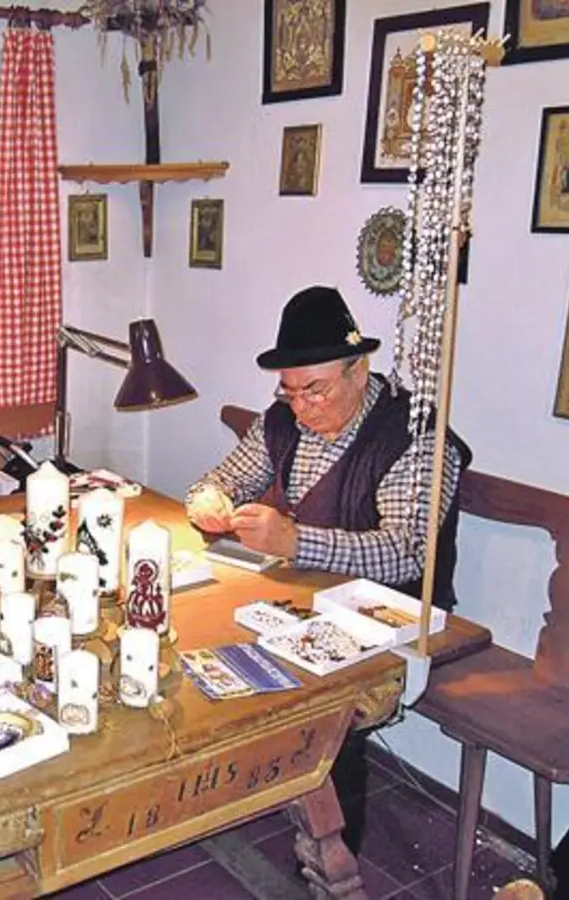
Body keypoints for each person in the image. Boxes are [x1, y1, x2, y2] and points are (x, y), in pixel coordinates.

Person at [185, 284, 471, 856]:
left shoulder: (415, 434)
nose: (303, 407)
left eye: (315, 390)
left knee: (324, 700)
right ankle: (228, 797)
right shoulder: (282, 421)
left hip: (393, 621)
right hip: (308, 601)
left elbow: (409, 550)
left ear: (359, 371)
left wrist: (296, 541)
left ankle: (334, 856)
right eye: (289, 393)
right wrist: (208, 500)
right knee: (199, 641)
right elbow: (216, 479)